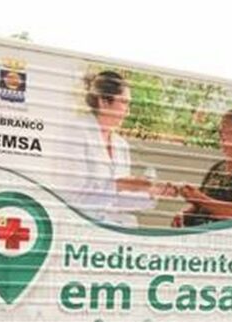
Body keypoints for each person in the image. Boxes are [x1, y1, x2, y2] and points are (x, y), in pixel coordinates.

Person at [66, 70, 172, 225]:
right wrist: (124, 184)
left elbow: (117, 201)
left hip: (113, 230)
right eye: (123, 102)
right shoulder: (75, 133)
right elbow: (73, 198)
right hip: (81, 228)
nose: (127, 111)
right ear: (103, 101)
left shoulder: (121, 145)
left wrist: (151, 192)